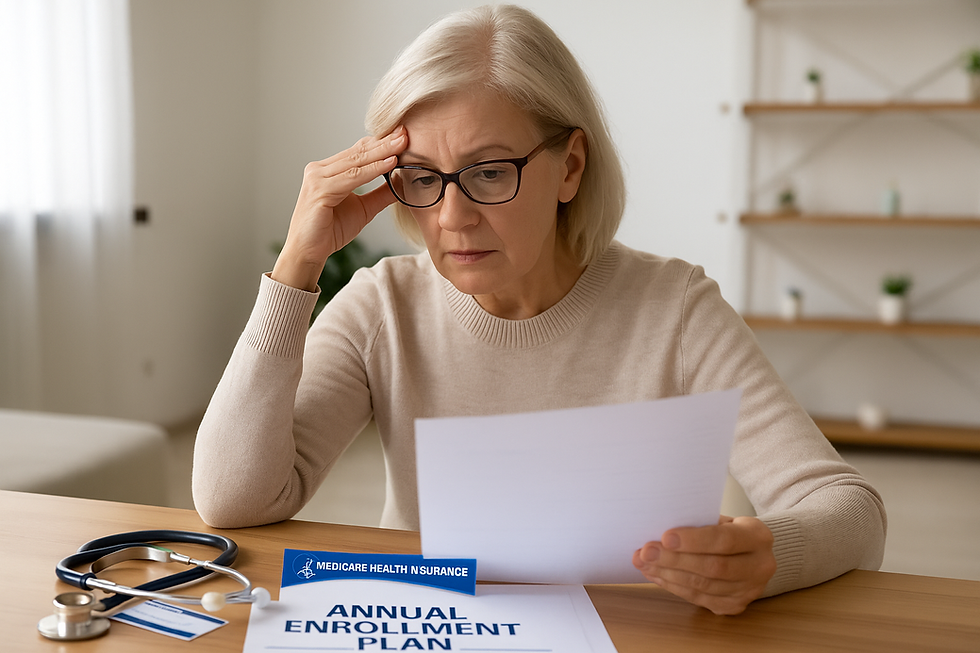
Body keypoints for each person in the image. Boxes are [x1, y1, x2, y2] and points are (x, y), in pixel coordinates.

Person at [193, 4, 885, 616]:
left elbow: (851, 510)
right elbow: (233, 499)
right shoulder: (384, 305)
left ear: (571, 166)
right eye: (424, 178)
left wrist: (768, 551)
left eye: (490, 171)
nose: (452, 218)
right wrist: (296, 268)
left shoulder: (674, 309)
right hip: (434, 628)